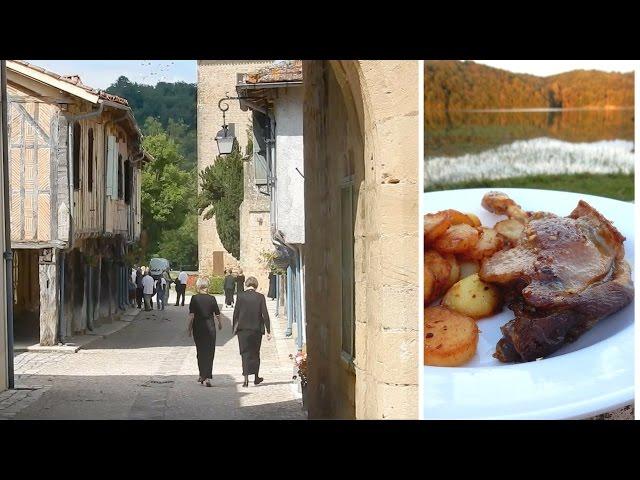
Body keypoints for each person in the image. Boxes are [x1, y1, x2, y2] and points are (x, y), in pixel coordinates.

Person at [232, 276, 271, 387]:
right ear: (256, 285)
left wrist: (234, 327)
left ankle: (245, 379)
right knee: (255, 353)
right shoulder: (260, 297)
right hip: (256, 329)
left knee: (244, 353)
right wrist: (268, 330)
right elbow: (265, 314)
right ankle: (256, 377)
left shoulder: (240, 296)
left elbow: (236, 313)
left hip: (243, 329)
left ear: (246, 284)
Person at [188, 277, 222, 388]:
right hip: (210, 328)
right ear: (207, 286)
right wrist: (220, 323)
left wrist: (189, 329)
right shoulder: (212, 298)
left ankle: (202, 374)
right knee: (209, 352)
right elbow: (217, 314)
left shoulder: (194, 298)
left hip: (198, 328)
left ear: (198, 286)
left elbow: (191, 316)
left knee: (200, 351)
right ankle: (207, 376)